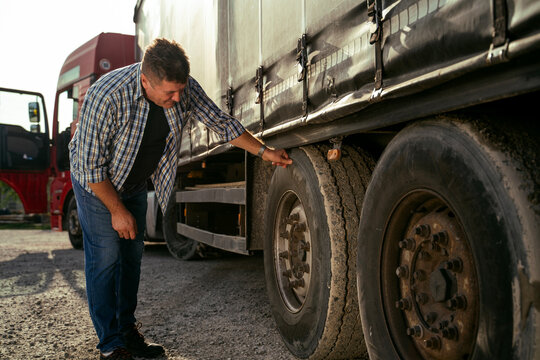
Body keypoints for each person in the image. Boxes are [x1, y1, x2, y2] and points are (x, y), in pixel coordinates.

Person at [69, 38, 292, 360]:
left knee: (131, 258)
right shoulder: (107, 95)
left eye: (180, 90)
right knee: (106, 258)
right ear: (145, 80)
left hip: (132, 183)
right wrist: (116, 210)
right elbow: (90, 167)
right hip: (97, 184)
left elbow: (220, 123)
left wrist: (264, 151)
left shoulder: (183, 89)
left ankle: (127, 332)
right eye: (169, 93)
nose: (177, 98)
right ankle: (110, 345)